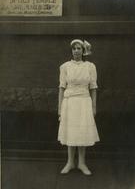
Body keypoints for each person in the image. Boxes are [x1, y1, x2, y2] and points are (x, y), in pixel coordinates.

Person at [58, 39, 100, 175]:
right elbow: (61, 88)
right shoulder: (64, 67)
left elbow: (93, 87)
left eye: (79, 49)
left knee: (82, 132)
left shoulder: (90, 66)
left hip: (84, 102)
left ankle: (82, 163)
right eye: (74, 48)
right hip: (69, 103)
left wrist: (93, 106)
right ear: (71, 50)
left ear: (83, 51)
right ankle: (70, 162)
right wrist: (59, 109)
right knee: (71, 132)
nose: (76, 51)